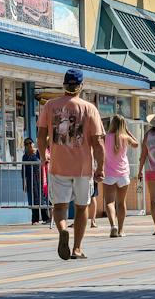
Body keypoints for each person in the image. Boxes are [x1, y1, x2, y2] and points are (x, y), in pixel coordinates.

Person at [36, 69, 105, 259]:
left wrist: (43, 156)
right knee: (82, 207)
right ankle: (77, 248)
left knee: (59, 206)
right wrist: (100, 167)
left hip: (58, 165)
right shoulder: (89, 108)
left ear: (64, 85)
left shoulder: (50, 106)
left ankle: (62, 230)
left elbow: (41, 136)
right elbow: (98, 142)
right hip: (83, 168)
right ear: (81, 86)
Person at [100, 113, 139, 236]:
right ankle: (121, 230)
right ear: (123, 125)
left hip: (109, 173)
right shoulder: (125, 137)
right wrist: (127, 131)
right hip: (123, 174)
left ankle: (113, 226)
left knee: (109, 202)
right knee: (121, 203)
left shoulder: (105, 137)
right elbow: (137, 144)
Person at [20, 136, 48, 224]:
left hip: (39, 179)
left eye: (30, 143)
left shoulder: (38, 153)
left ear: (33, 144)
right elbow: (23, 170)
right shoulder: (25, 157)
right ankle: (35, 219)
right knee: (32, 199)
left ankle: (45, 217)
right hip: (30, 180)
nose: (28, 145)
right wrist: (24, 182)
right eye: (26, 144)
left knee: (41, 198)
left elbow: (45, 159)